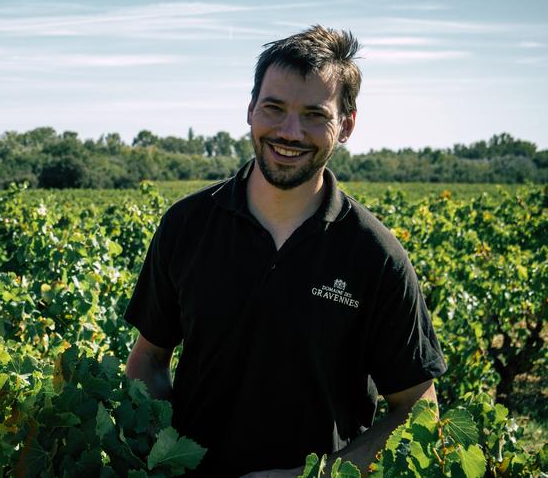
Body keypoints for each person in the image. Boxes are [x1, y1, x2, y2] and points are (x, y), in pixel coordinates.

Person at [124, 25, 446, 477]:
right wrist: (166, 455)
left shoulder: (375, 256)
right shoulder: (188, 225)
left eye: (315, 115)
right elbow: (148, 360)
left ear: (347, 125)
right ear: (251, 109)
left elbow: (417, 409)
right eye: (274, 108)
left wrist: (314, 477)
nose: (290, 132)